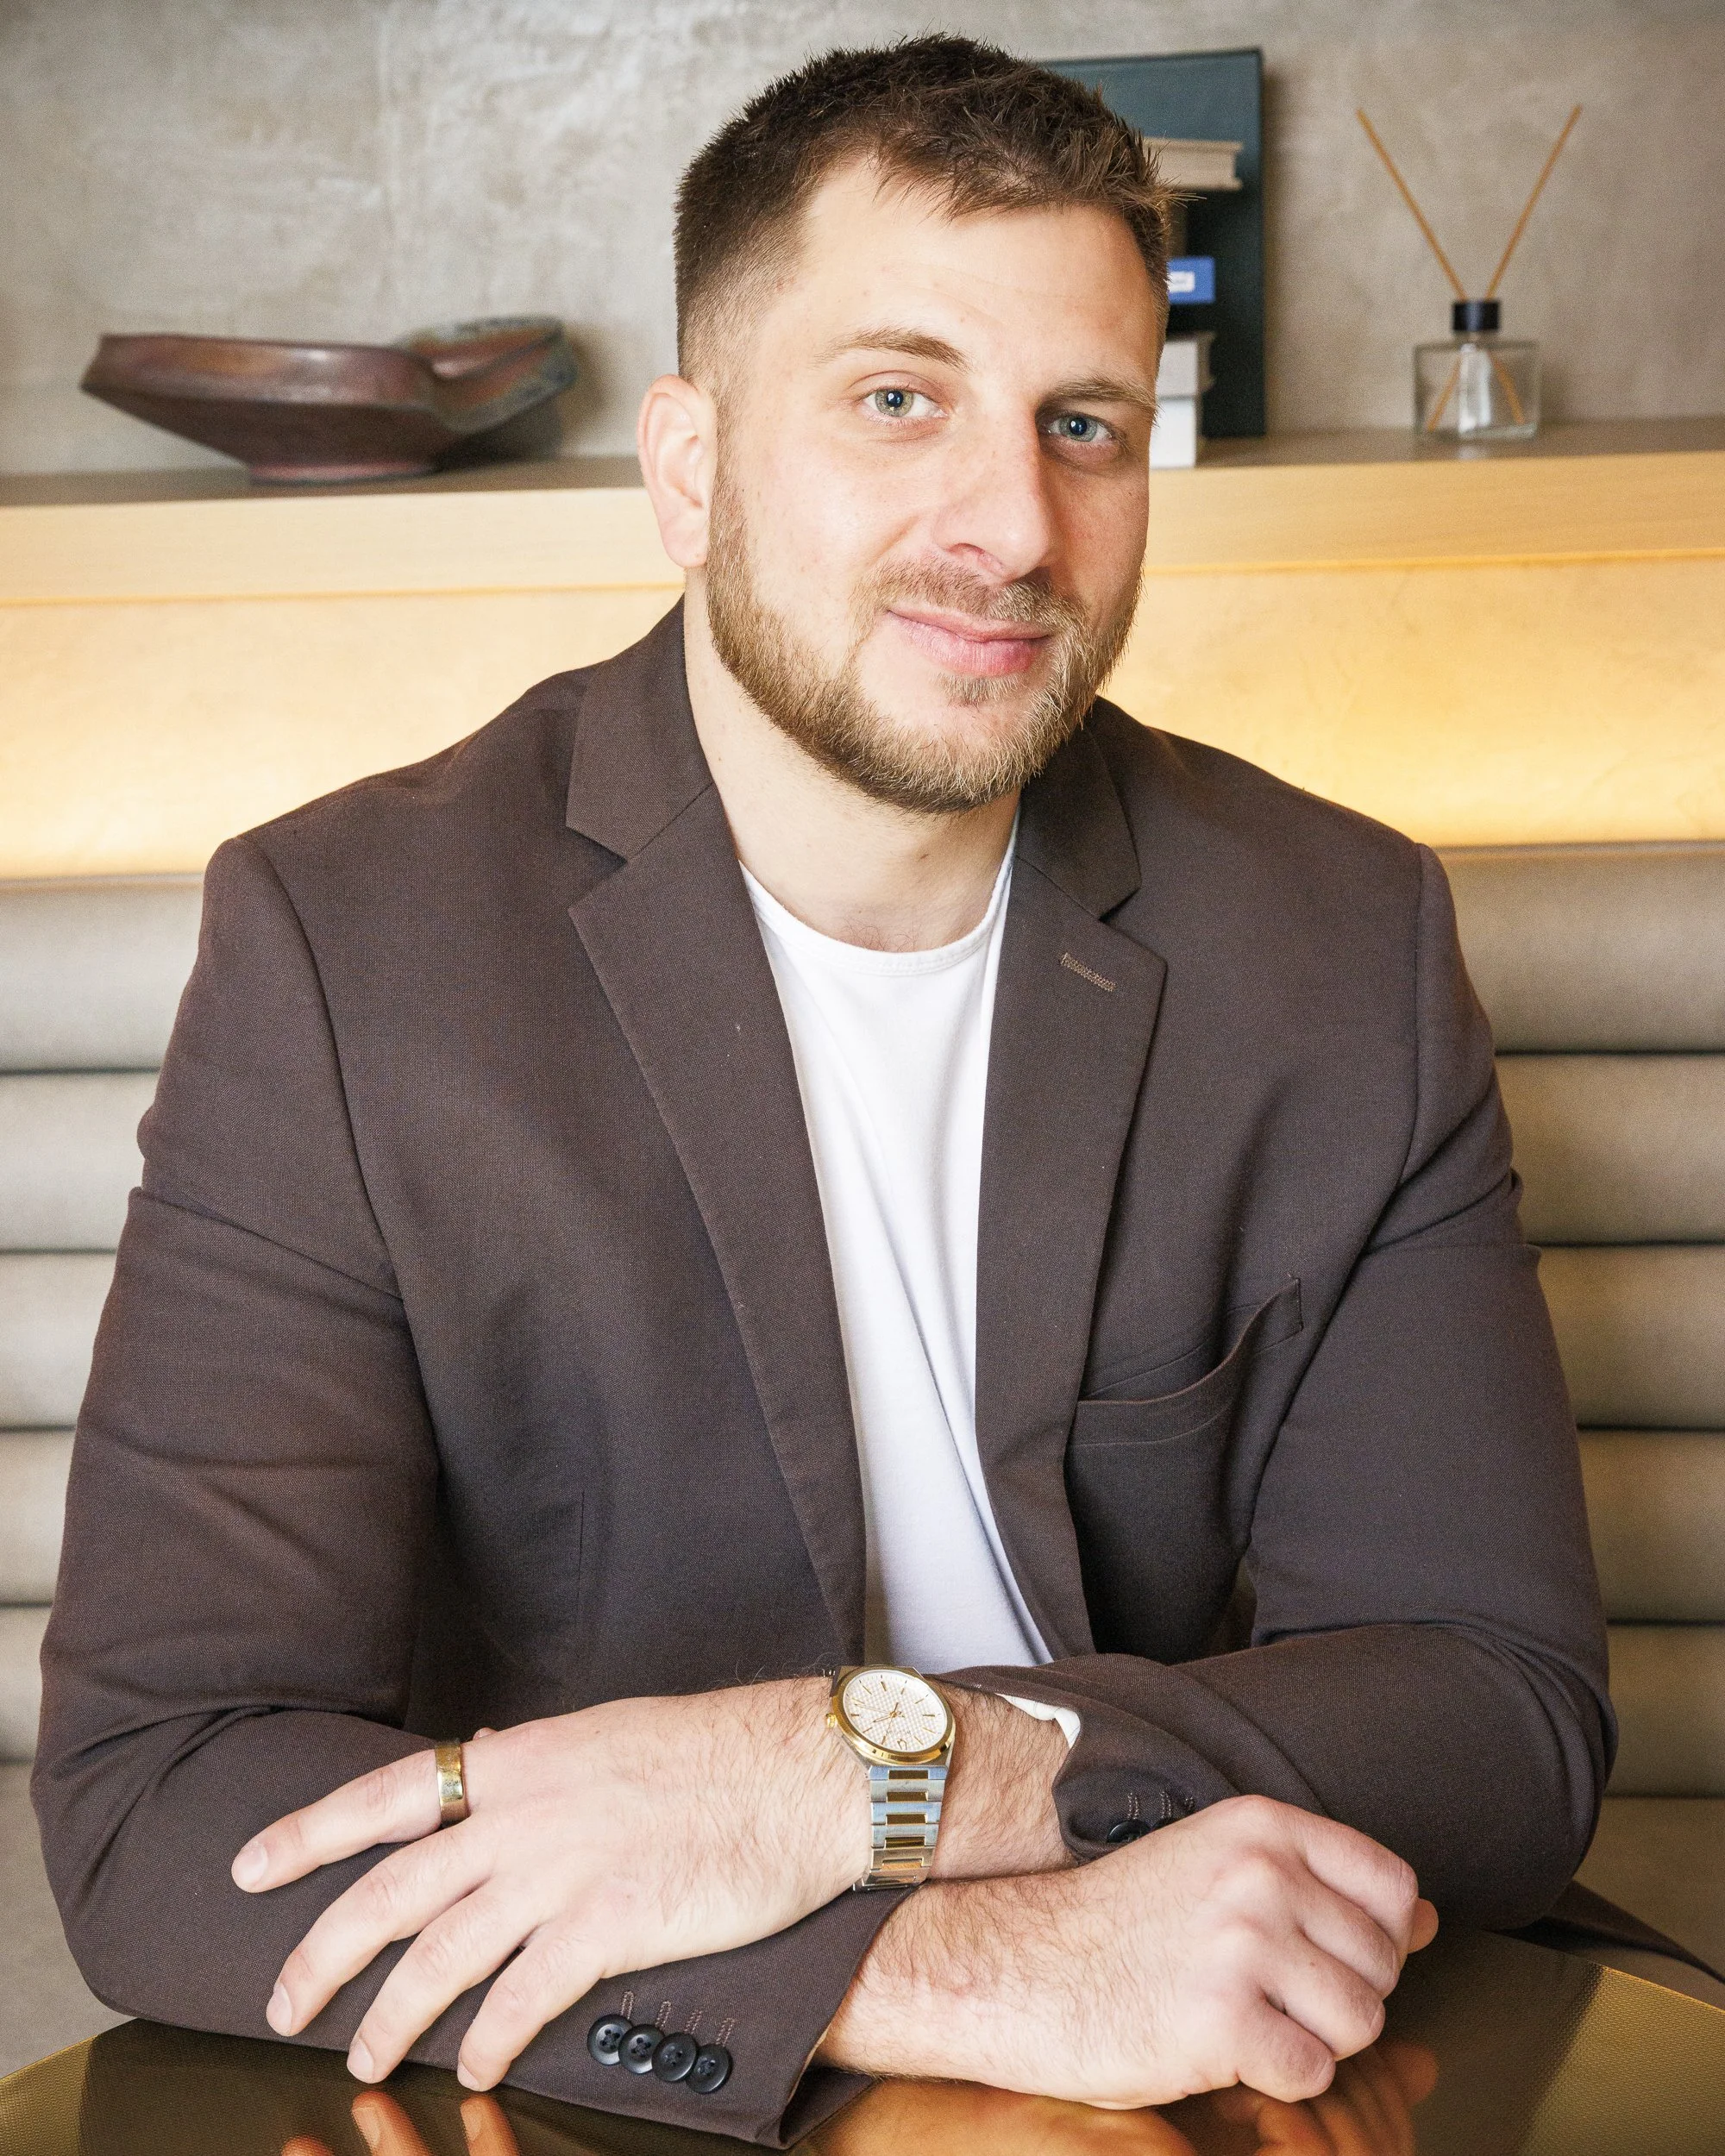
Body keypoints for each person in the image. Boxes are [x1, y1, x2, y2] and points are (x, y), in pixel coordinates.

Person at [34, 34, 1610, 2148]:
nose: (1014, 525)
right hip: (627, 2097)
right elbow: (162, 1798)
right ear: (688, 469)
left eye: (1084, 424)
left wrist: (839, 1769)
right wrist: (943, 1965)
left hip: (1239, 2055)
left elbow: (1495, 1712)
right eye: (896, 399)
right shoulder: (351, 947)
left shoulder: (1338, 941)